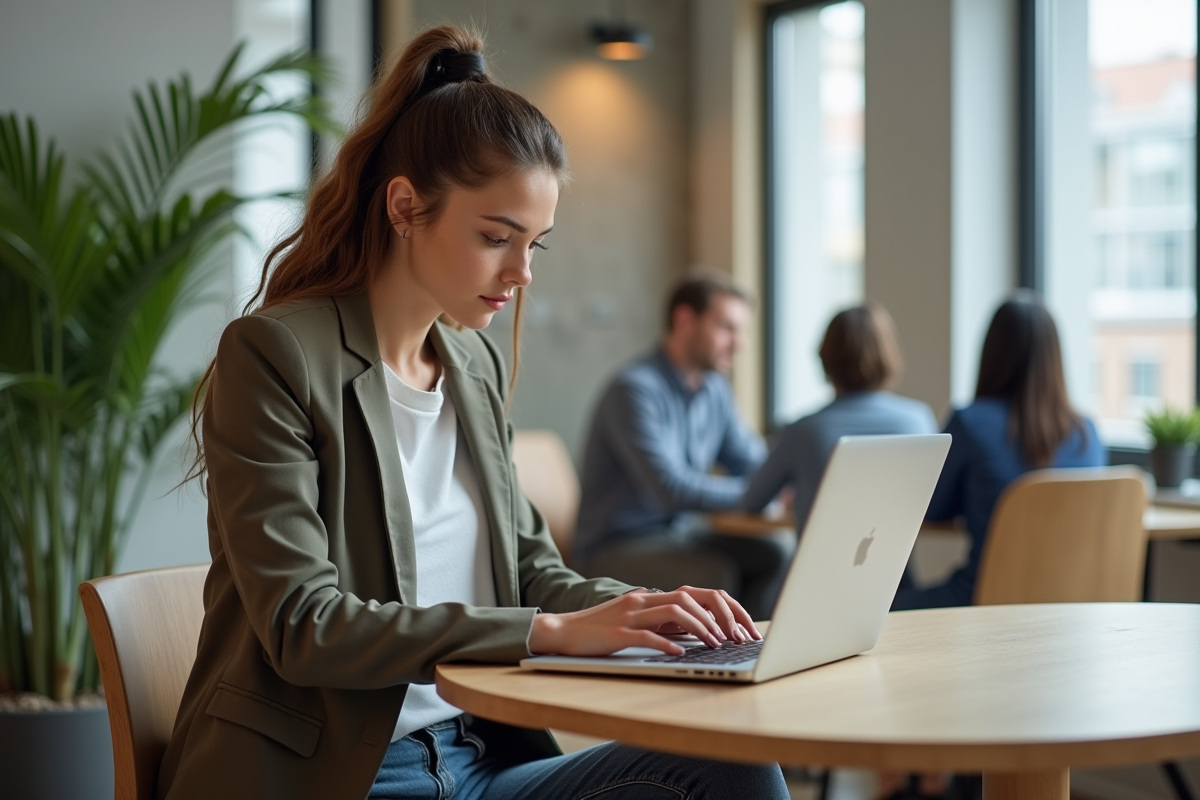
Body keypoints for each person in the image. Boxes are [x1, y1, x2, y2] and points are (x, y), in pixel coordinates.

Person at [159, 26, 788, 800]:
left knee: (735, 762)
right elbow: (303, 623)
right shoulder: (276, 355)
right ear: (405, 207)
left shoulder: (471, 364)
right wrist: (549, 633)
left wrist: (640, 611)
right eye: (496, 237)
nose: (521, 273)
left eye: (536, 245)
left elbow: (529, 569)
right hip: (343, 775)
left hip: (482, 755)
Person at [573, 275, 794, 621]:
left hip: (679, 534)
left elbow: (751, 460)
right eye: (727, 328)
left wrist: (785, 481)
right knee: (715, 574)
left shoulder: (715, 390)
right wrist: (757, 494)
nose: (739, 343)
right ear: (684, 321)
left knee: (775, 554)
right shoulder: (634, 390)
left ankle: (750, 645)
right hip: (617, 546)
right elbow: (669, 488)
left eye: (741, 331)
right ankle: (723, 651)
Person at [892, 293, 1107, 611]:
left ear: (993, 354)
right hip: (1071, 612)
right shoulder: (1087, 433)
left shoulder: (969, 422)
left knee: (874, 614)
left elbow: (932, 508)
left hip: (986, 605)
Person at [742, 302, 938, 532]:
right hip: (897, 558)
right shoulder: (918, 421)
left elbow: (751, 501)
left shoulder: (802, 431)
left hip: (815, 557)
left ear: (825, 358)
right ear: (888, 354)